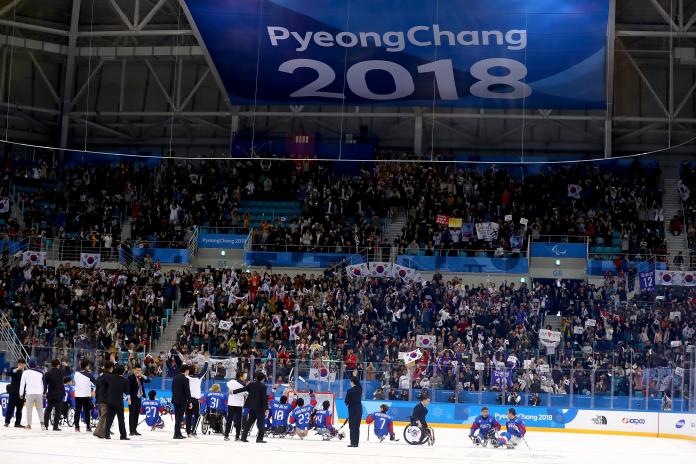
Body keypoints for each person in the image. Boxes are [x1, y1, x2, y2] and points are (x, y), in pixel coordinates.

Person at [233, 370, 269, 443]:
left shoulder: (251, 384)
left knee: (249, 423)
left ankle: (243, 437)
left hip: (251, 407)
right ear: (262, 379)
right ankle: (259, 439)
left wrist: (233, 391)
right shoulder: (263, 386)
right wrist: (267, 408)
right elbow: (264, 398)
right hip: (260, 408)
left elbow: (243, 389)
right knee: (261, 423)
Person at [102, 364, 130, 440]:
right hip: (119, 402)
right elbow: (127, 392)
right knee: (121, 419)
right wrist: (129, 400)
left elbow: (104, 383)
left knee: (109, 419)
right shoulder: (125, 381)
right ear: (123, 372)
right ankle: (123, 436)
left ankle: (106, 435)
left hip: (110, 400)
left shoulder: (110, 378)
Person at [44, 359, 71, 431]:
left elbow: (45, 384)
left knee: (48, 410)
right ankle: (55, 426)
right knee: (58, 411)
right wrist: (66, 366)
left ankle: (45, 425)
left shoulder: (48, 373)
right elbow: (69, 372)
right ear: (58, 365)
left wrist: (44, 392)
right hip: (59, 394)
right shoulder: (61, 372)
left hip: (50, 394)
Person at [186, 355, 209, 437]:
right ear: (195, 370)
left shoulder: (187, 377)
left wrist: (185, 361)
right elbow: (205, 370)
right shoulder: (198, 377)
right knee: (197, 416)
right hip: (195, 400)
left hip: (188, 399)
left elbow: (183, 369)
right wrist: (206, 360)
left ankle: (188, 432)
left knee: (188, 415)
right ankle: (193, 431)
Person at [19, 358, 45, 430]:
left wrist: (21, 394)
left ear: (29, 364)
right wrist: (43, 393)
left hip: (30, 393)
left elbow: (22, 384)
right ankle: (42, 425)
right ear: (35, 364)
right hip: (39, 393)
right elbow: (43, 384)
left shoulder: (25, 372)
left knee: (29, 409)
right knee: (40, 409)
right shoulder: (40, 373)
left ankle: (29, 425)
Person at [73, 359, 96, 432]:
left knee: (77, 411)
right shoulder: (89, 375)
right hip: (86, 395)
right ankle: (88, 427)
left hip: (78, 395)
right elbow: (95, 384)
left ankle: (77, 427)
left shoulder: (76, 374)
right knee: (86, 412)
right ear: (87, 366)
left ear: (80, 366)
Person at [224, 370, 247, 441]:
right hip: (239, 404)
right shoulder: (244, 385)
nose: (245, 377)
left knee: (229, 420)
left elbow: (227, 385)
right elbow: (246, 393)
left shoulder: (231, 382)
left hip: (231, 403)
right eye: (244, 375)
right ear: (241, 376)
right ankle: (237, 436)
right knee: (238, 420)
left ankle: (226, 435)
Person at [127, 365, 150, 436]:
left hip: (139, 398)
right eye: (137, 370)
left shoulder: (141, 377)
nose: (138, 372)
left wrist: (142, 375)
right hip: (132, 399)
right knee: (132, 415)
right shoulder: (130, 377)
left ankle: (135, 430)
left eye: (140, 371)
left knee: (136, 414)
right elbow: (128, 389)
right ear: (134, 370)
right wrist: (128, 398)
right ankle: (131, 431)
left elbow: (148, 380)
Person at [93, 360, 113, 438]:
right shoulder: (110, 377)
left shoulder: (100, 376)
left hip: (99, 399)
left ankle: (101, 432)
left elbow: (97, 389)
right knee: (104, 416)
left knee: (102, 416)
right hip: (106, 399)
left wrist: (96, 399)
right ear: (111, 368)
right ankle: (98, 432)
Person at [171, 365, 192, 439]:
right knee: (179, 418)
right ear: (186, 370)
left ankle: (178, 433)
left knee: (177, 417)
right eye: (188, 370)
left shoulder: (175, 378)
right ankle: (176, 434)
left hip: (175, 400)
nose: (188, 372)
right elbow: (187, 392)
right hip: (182, 401)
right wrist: (190, 402)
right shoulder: (186, 379)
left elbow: (173, 389)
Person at [4, 358, 25, 428]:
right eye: (19, 363)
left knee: (19, 409)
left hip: (21, 393)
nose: (20, 365)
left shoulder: (26, 372)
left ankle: (17, 423)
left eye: (22, 364)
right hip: (13, 392)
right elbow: (8, 373)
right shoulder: (14, 369)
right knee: (10, 407)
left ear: (24, 365)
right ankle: (7, 422)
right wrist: (17, 369)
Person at [344, 375, 362, 447]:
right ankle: (356, 443)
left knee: (352, 426)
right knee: (357, 427)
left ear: (352, 382)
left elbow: (346, 401)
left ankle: (353, 443)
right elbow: (359, 384)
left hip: (352, 409)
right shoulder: (360, 389)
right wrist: (355, 376)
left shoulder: (350, 391)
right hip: (359, 409)